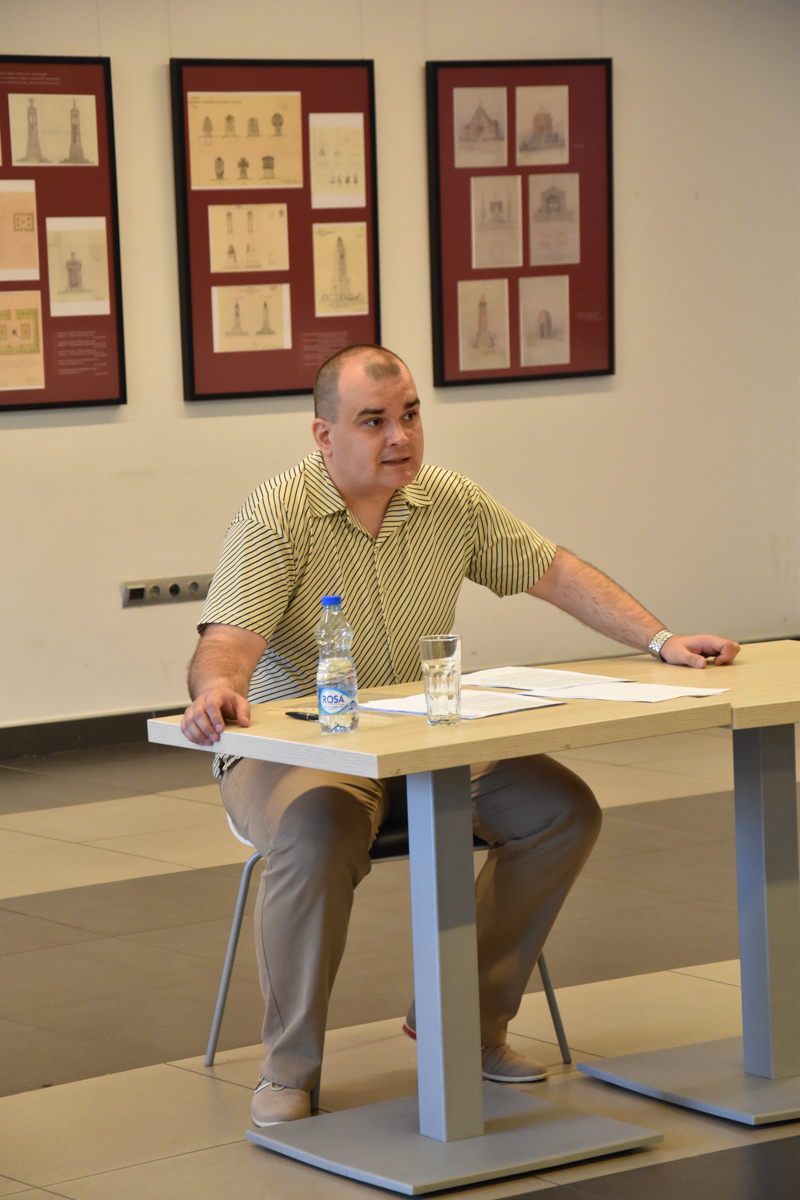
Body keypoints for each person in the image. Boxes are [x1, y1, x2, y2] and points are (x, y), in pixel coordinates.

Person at [181, 344, 740, 1127]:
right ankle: (289, 1067)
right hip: (302, 752)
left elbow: (554, 571)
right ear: (323, 435)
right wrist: (216, 689)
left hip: (423, 741)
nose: (400, 437)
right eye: (373, 422)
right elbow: (227, 642)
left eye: (410, 415)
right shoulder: (276, 517)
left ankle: (464, 1020)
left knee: (562, 810)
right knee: (318, 829)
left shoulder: (449, 501)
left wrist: (660, 639)